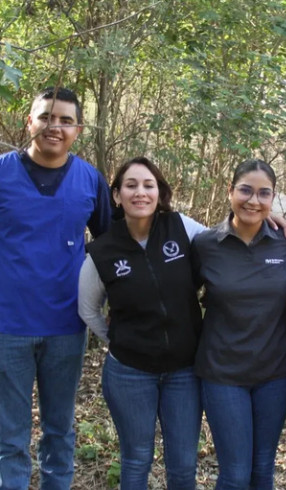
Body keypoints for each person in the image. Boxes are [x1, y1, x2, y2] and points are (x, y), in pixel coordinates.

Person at [0, 86, 112, 490]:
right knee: (11, 437)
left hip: (67, 325)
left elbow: (110, 247)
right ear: (29, 122)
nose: (53, 127)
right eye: (45, 117)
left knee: (59, 430)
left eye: (65, 120)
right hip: (6, 325)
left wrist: (111, 309)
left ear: (78, 129)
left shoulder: (90, 180)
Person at [77, 156, 207, 490]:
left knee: (183, 465)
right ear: (117, 195)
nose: (140, 193)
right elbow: (88, 310)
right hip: (130, 373)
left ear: (159, 192)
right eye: (131, 185)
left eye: (148, 185)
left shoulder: (183, 228)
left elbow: (228, 244)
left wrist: (266, 218)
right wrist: (119, 341)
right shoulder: (103, 250)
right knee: (136, 460)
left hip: (185, 371)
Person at [193, 158, 286, 490]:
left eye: (264, 194)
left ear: (274, 198)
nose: (254, 201)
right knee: (236, 473)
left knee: (263, 468)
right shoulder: (206, 244)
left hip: (275, 372)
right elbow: (180, 294)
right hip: (223, 372)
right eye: (245, 191)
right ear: (230, 191)